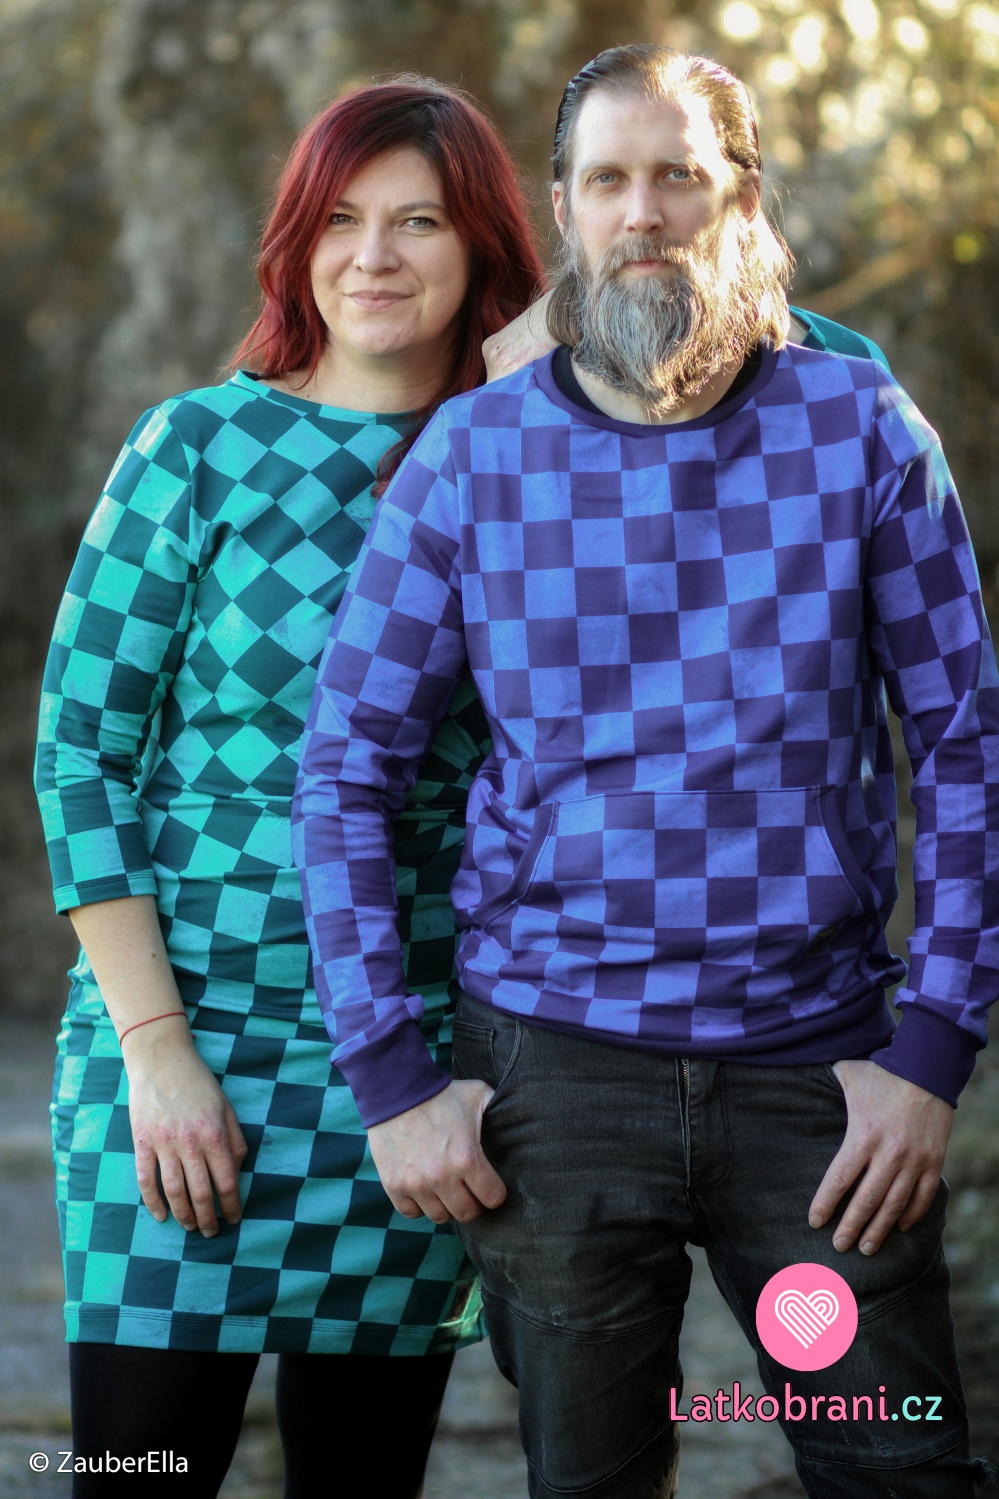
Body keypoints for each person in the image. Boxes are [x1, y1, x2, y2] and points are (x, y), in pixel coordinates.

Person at [294, 45, 998, 1499]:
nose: (644, 210)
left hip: (818, 1087)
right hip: (553, 1085)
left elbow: (967, 749)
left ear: (741, 197)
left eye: (679, 173)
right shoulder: (472, 458)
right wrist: (392, 1078)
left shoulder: (860, 430)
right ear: (563, 208)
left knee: (896, 1474)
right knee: (593, 1484)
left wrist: (933, 1052)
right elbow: (347, 767)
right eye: (608, 178)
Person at [34, 76, 543, 1498]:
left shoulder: (527, 470)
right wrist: (156, 1055)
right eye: (341, 219)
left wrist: (542, 361)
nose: (373, 256)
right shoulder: (196, 449)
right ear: (297, 241)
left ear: (483, 247)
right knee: (131, 1474)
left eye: (420, 222)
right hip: (178, 1049)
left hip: (409, 1078)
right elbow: (79, 754)